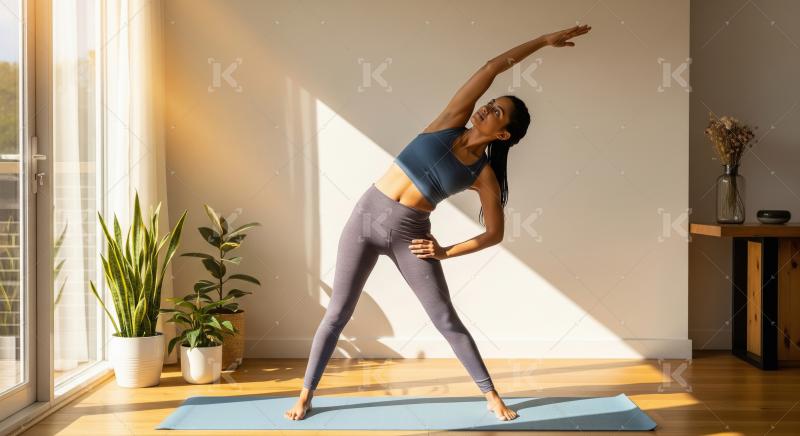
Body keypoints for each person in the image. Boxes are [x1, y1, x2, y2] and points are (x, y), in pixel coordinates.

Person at [285, 23, 592, 422]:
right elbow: (491, 67)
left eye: (497, 111)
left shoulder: (483, 176)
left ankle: (491, 395)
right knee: (338, 313)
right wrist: (542, 42)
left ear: (503, 134)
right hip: (364, 220)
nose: (486, 107)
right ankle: (306, 393)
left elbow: (495, 234)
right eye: (491, 103)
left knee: (445, 318)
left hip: (410, 237)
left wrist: (445, 251)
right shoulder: (450, 121)